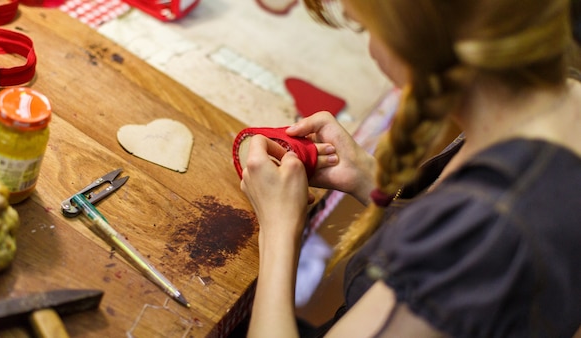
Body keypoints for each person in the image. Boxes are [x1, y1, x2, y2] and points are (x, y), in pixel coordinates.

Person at [237, 0, 581, 336]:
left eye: (366, 27)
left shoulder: (487, 228)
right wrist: (367, 178)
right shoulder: (558, 93)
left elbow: (460, 241)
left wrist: (279, 228)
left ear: (418, 34)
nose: (371, 49)